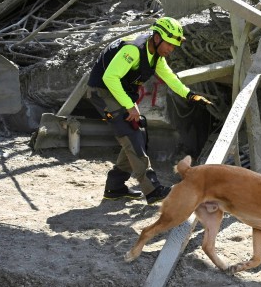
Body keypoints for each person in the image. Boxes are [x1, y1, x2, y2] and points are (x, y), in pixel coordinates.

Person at [86, 17, 212, 203]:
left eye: (173, 46)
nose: (170, 49)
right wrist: (129, 106)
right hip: (102, 91)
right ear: (157, 37)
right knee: (132, 136)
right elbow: (110, 78)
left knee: (138, 132)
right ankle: (153, 190)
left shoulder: (155, 56)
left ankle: (115, 188)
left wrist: (190, 95)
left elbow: (170, 78)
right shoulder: (133, 49)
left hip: (118, 92)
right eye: (169, 44)